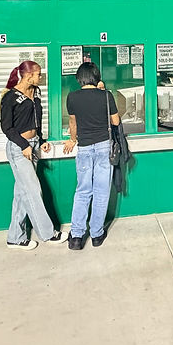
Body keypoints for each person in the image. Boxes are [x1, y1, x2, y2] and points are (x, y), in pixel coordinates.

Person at [0, 60, 62, 251]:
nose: (40, 77)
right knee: (33, 190)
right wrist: (24, 144)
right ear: (28, 76)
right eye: (38, 74)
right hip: (19, 150)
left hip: (32, 146)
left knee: (22, 193)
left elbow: (36, 120)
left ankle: (15, 237)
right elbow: (6, 127)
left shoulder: (36, 93)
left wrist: (40, 140)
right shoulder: (10, 97)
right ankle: (48, 234)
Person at [63, 61, 120, 250]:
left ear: (79, 78)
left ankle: (77, 237)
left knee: (82, 191)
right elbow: (115, 120)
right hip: (104, 147)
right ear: (97, 77)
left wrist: (72, 140)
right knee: (101, 192)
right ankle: (96, 235)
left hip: (84, 148)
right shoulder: (106, 96)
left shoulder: (72, 97)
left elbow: (73, 123)